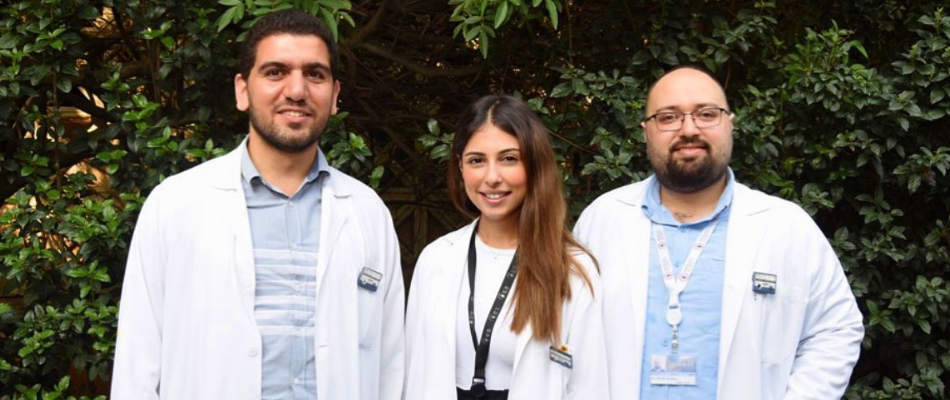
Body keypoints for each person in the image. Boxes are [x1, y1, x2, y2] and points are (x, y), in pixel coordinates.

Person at [110, 10, 404, 400]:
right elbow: (137, 360)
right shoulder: (175, 204)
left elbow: (390, 363)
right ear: (242, 90)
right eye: (275, 72)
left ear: (335, 96)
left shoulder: (368, 212)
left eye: (314, 74)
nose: (296, 90)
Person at [574, 66, 864, 399]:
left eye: (706, 114)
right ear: (646, 132)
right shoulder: (603, 219)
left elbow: (836, 329)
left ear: (730, 124)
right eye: (668, 117)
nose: (688, 129)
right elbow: (566, 332)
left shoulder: (787, 226)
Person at [404, 95, 609, 400]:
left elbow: (589, 388)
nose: (492, 178)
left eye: (509, 159)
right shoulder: (435, 259)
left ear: (534, 164)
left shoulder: (573, 270)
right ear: (460, 167)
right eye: (477, 160)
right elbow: (414, 376)